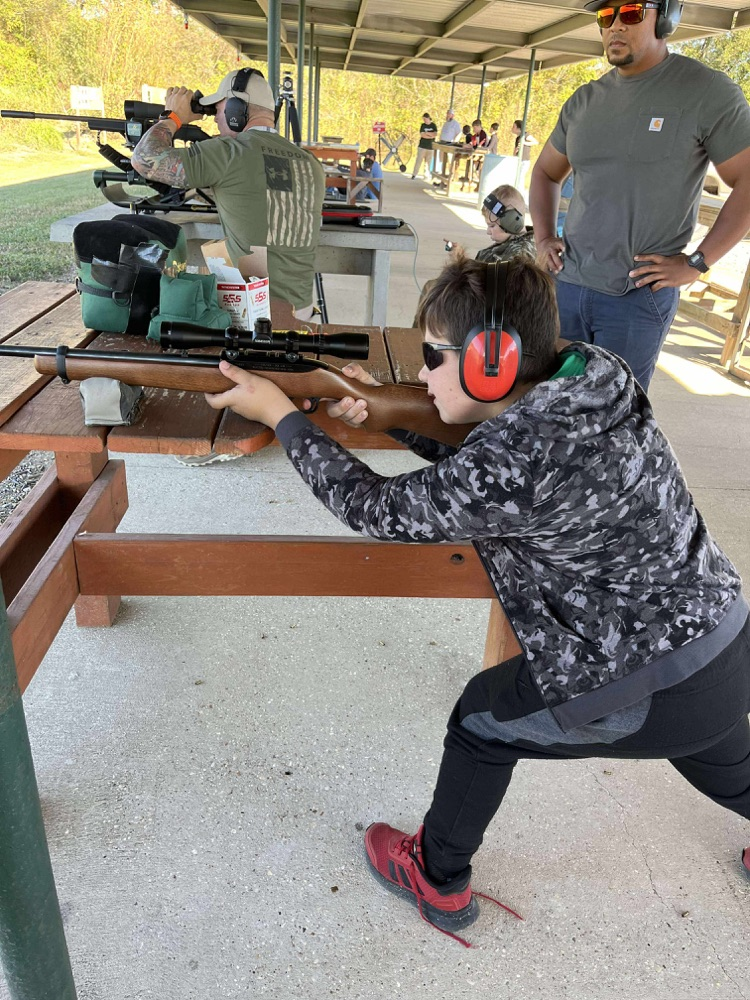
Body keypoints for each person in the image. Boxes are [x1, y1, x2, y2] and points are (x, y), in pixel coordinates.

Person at [202, 251, 750, 947]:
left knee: (481, 722)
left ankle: (436, 876)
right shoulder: (596, 373)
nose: (424, 373)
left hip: (646, 685)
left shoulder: (519, 458)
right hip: (725, 643)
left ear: (495, 362)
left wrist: (281, 416)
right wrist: (391, 416)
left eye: (435, 357)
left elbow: (378, 508)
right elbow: (495, 472)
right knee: (717, 747)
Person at [530, 0, 750, 392]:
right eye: (605, 16)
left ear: (666, 17)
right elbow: (546, 172)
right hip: (566, 287)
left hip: (635, 298)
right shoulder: (584, 100)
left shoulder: (705, 91)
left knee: (614, 416)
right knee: (549, 407)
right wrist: (544, 237)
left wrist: (698, 262)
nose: (615, 25)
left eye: (631, 12)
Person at [130, 68, 325, 323]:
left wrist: (173, 117)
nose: (214, 120)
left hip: (252, 319)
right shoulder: (310, 162)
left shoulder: (230, 153)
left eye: (218, 110)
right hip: (303, 317)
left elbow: (144, 158)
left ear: (236, 110)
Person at [475, 184, 535, 264]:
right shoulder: (536, 243)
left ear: (511, 222)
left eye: (492, 226)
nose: (488, 232)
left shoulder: (517, 258)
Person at [412, 112, 438, 181]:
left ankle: (426, 175)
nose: (424, 120)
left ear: (428, 118)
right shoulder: (423, 125)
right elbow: (422, 135)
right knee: (418, 161)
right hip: (422, 146)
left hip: (430, 147)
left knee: (428, 162)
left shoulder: (433, 125)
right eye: (423, 119)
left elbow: (435, 134)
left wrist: (427, 133)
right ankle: (414, 174)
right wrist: (430, 135)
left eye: (425, 119)